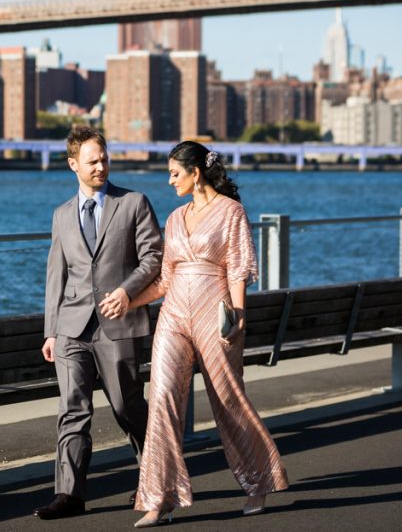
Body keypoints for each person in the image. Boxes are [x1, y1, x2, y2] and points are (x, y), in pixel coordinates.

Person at [116, 141, 288, 527]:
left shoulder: (231, 213)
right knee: (161, 397)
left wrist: (238, 317)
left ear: (196, 173)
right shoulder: (175, 218)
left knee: (228, 398)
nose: (169, 179)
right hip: (174, 315)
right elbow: (165, 279)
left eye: (174, 172)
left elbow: (239, 268)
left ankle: (258, 482)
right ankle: (160, 499)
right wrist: (129, 300)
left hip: (217, 314)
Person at [33, 126, 164, 520]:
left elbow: (153, 258)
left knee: (127, 404)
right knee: (72, 410)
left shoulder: (134, 203)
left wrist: (127, 292)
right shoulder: (60, 216)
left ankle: (153, 478)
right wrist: (51, 331)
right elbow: (56, 275)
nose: (101, 167)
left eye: (104, 158)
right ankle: (70, 495)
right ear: (73, 164)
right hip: (72, 328)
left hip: (118, 323)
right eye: (92, 161)